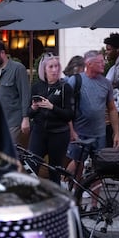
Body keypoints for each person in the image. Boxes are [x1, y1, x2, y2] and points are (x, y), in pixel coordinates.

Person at [67, 50, 119, 171]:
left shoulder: (106, 84)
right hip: (79, 133)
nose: (103, 64)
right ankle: (71, 188)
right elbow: (67, 108)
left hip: (99, 135)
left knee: (99, 168)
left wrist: (116, 133)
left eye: (103, 61)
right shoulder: (75, 81)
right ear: (89, 64)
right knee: (77, 165)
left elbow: (112, 109)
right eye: (100, 62)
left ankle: (92, 190)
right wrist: (71, 131)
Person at [28, 53, 74, 183]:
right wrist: (34, 108)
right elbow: (29, 113)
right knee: (31, 167)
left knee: (54, 171)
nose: (54, 70)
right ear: (44, 69)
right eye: (51, 67)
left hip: (58, 134)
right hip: (39, 132)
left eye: (57, 66)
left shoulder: (65, 87)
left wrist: (52, 107)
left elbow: (69, 114)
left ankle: (55, 200)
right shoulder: (37, 87)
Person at [0, 40, 30, 145]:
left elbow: (25, 94)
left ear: (2, 53)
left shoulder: (18, 68)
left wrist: (26, 118)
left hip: (13, 121)